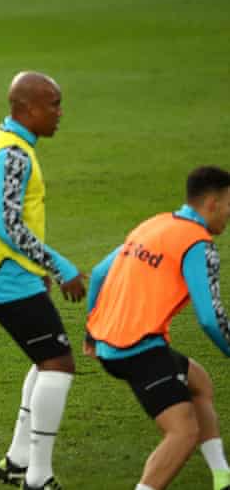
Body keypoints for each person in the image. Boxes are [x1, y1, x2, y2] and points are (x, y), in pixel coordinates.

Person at [0, 72, 87, 489]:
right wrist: (59, 266)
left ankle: (18, 460)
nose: (60, 113)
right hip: (2, 277)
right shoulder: (12, 153)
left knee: (44, 358)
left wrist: (37, 271)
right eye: (54, 104)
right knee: (58, 364)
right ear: (27, 108)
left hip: (6, 273)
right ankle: (39, 476)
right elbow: (7, 225)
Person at [85, 166, 230, 490]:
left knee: (199, 384)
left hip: (110, 345)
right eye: (229, 204)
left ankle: (222, 476)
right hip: (138, 349)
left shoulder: (155, 224)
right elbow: (210, 318)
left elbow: (98, 274)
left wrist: (91, 333)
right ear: (212, 203)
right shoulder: (199, 243)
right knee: (183, 433)